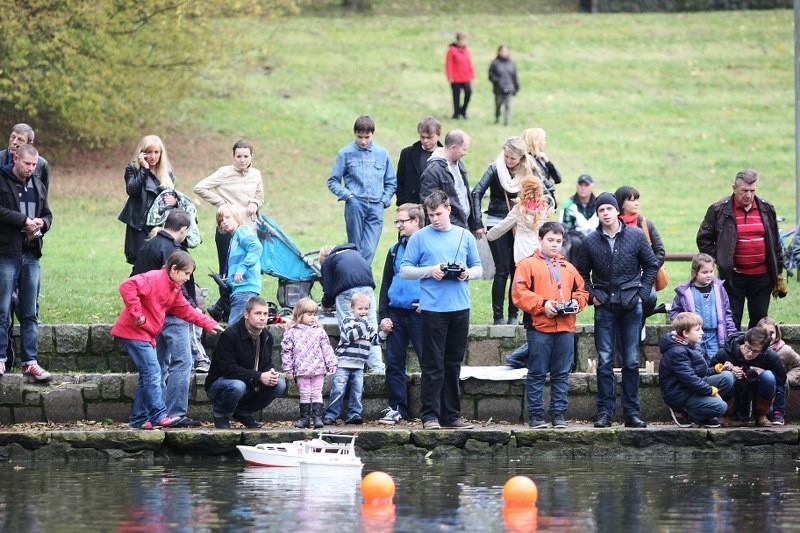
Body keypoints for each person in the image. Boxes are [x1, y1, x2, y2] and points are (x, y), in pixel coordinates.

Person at [111, 251, 223, 429]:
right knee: (153, 371)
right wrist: (138, 315)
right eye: (186, 273)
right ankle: (158, 416)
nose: (188, 278)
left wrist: (210, 324)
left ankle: (139, 419)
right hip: (133, 332)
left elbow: (187, 311)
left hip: (144, 334)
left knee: (147, 375)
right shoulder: (154, 278)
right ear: (174, 269)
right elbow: (127, 286)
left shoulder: (174, 289)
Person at [574, 192, 659, 428]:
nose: (605, 214)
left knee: (631, 361)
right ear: (598, 214)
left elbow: (651, 264)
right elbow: (580, 273)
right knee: (604, 361)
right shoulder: (590, 241)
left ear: (616, 211)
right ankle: (605, 412)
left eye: (609, 209)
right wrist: (594, 296)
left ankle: (632, 412)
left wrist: (642, 295)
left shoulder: (635, 235)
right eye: (601, 211)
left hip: (632, 305)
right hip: (605, 306)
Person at [400, 191, 483, 430]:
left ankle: (452, 415)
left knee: (453, 363)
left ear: (449, 210)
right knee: (433, 364)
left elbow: (478, 268)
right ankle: (430, 416)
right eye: (430, 215)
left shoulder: (464, 236)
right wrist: (430, 270)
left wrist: (467, 273)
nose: (435, 219)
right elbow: (405, 270)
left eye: (438, 214)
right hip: (433, 309)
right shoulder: (419, 238)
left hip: (460, 307)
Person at [511, 221, 588, 429]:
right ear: (540, 240)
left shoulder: (569, 268)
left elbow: (582, 292)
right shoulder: (527, 265)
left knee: (561, 374)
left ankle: (558, 415)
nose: (555, 245)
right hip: (539, 328)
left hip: (565, 327)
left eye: (558, 241)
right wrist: (543, 305)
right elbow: (519, 294)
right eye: (550, 240)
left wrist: (575, 303)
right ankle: (536, 416)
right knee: (536, 373)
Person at [131, 209, 202, 427]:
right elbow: (181, 288)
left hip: (152, 317)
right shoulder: (174, 251)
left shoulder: (147, 245)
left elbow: (134, 278)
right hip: (173, 314)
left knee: (156, 367)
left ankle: (150, 414)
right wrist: (193, 308)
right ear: (184, 229)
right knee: (182, 362)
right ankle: (175, 413)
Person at [696, 169, 782, 330]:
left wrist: (778, 272)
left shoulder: (767, 209)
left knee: (759, 319)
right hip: (733, 277)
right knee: (731, 319)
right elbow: (703, 239)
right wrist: (721, 260)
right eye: (744, 191)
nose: (749, 195)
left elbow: (776, 242)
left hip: (762, 277)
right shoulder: (718, 210)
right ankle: (733, 354)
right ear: (734, 188)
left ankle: (755, 353)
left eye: (752, 191)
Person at [0, 144, 52, 380]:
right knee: (2, 310)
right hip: (6, 254)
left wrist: (42, 223)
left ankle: (30, 361)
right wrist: (23, 220)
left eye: (34, 164)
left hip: (31, 255)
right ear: (15, 159)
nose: (31, 168)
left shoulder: (38, 184)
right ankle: (1, 359)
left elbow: (48, 214)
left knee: (30, 312)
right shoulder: (2, 180)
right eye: (27, 164)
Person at [471, 136, 534, 324]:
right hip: (497, 221)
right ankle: (498, 317)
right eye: (506, 156)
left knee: (518, 269)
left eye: (512, 158)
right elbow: (476, 192)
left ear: (521, 158)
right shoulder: (495, 168)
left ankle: (514, 315)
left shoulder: (529, 169)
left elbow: (544, 190)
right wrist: (477, 222)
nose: (508, 161)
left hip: (519, 224)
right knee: (502, 270)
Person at [204, 296, 287, 429]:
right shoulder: (230, 335)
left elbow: (266, 363)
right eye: (258, 313)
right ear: (246, 314)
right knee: (237, 386)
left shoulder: (266, 336)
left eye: (265, 314)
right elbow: (228, 369)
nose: (262, 318)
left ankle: (244, 412)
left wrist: (270, 372)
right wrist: (259, 376)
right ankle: (220, 414)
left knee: (280, 385)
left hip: (250, 383)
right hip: (221, 384)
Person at [326, 115, 397, 265]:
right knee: (355, 248)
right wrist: (348, 196)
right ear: (355, 134)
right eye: (360, 137)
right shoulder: (345, 153)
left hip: (376, 205)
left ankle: (357, 275)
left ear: (373, 134)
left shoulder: (382, 154)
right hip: (355, 204)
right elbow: (333, 181)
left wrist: (383, 202)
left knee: (370, 249)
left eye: (367, 137)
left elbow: (391, 182)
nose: (363, 141)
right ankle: (358, 281)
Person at [378, 203, 425, 424]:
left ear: (416, 221)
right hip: (395, 313)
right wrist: (383, 315)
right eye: (396, 222)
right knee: (394, 363)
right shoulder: (395, 249)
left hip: (420, 314)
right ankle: (397, 409)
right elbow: (386, 282)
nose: (398, 225)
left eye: (402, 221)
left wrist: (427, 302)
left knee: (428, 362)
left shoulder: (428, 246)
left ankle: (431, 409)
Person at [193, 139, 264, 274]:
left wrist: (255, 203)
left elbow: (260, 197)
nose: (242, 160)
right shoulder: (224, 172)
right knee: (227, 268)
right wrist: (222, 203)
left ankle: (250, 295)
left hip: (249, 228)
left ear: (251, 156)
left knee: (249, 268)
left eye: (246, 156)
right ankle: (225, 295)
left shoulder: (256, 174)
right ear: (233, 156)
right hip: (227, 229)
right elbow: (200, 187)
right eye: (238, 156)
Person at [658, 312, 736, 428]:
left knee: (727, 377)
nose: (702, 333)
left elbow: (699, 373)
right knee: (721, 407)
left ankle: (703, 413)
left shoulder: (692, 345)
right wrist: (711, 391)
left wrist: (716, 369)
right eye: (698, 330)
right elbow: (690, 379)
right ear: (686, 333)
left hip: (691, 389)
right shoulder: (676, 352)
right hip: (680, 394)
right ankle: (688, 412)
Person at [323, 292, 389, 425]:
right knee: (338, 389)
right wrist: (364, 324)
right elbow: (351, 336)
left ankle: (354, 413)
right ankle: (331, 414)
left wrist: (384, 333)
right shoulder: (348, 322)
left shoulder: (368, 326)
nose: (363, 312)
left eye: (366, 309)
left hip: (359, 365)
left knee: (357, 391)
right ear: (352, 308)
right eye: (360, 309)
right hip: (343, 363)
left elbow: (374, 341)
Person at [319, 243, 385, 374]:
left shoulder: (328, 262)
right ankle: (377, 368)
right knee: (370, 327)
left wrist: (325, 305)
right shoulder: (356, 254)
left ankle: (348, 367)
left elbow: (329, 291)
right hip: (368, 289)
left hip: (346, 292)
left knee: (348, 327)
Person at [118, 135, 178, 266]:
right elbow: (132, 190)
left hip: (161, 224)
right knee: (141, 262)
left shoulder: (167, 173)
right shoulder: (133, 169)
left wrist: (175, 201)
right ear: (142, 153)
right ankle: (135, 286)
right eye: (149, 152)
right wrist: (144, 169)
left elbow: (173, 196)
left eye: (156, 152)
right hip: (139, 224)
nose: (153, 156)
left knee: (162, 261)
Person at [711, 326, 786, 427]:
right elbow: (708, 375)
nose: (750, 353)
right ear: (744, 341)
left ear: (763, 351)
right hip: (732, 393)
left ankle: (761, 415)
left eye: (755, 351)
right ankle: (727, 414)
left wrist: (763, 372)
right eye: (748, 347)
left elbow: (782, 379)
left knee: (768, 376)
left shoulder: (770, 356)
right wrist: (725, 369)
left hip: (757, 392)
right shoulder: (726, 352)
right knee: (727, 376)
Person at [281, 297, 337, 429]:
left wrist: (331, 363)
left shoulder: (319, 331)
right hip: (301, 370)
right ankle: (304, 418)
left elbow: (326, 348)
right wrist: (289, 369)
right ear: (299, 315)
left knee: (317, 392)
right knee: (305, 393)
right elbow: (286, 352)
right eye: (309, 314)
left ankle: (317, 417)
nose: (313, 317)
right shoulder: (292, 333)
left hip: (318, 369)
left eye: (314, 315)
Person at [669, 253, 736, 363]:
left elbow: (727, 314)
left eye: (711, 271)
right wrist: (684, 325)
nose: (709, 275)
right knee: (697, 364)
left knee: (716, 364)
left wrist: (731, 333)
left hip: (715, 337)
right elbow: (675, 313)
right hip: (694, 337)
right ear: (694, 273)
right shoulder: (685, 292)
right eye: (704, 272)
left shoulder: (719, 290)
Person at [615, 185, 665, 318]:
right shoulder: (612, 225)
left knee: (650, 298)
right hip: (619, 277)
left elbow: (659, 251)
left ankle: (639, 322)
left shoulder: (645, 224)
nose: (636, 203)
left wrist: (649, 269)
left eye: (637, 199)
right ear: (621, 203)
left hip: (644, 277)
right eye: (631, 200)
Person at [419, 129, 480, 232]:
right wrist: (451, 225)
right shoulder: (433, 171)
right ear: (453, 148)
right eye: (464, 149)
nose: (466, 153)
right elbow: (429, 205)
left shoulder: (458, 163)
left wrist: (474, 224)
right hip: (448, 230)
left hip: (463, 227)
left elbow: (464, 194)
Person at [216, 205, 262, 325]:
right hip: (239, 290)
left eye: (227, 217)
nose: (224, 221)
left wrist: (242, 268)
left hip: (245, 289)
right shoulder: (233, 238)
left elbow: (256, 247)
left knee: (233, 331)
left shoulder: (242, 231)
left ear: (236, 217)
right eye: (221, 220)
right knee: (242, 330)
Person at [757, 317, 800, 426]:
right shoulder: (755, 350)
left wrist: (788, 378)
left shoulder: (785, 350)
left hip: (779, 387)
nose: (769, 336)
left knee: (780, 383)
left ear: (777, 333)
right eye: (764, 333)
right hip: (761, 386)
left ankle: (778, 414)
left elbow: (798, 365)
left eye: (772, 333)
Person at [395, 117, 442, 206]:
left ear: (438, 135)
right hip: (411, 207)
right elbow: (399, 181)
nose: (425, 141)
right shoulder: (407, 154)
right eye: (422, 137)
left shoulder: (445, 157)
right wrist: (402, 202)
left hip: (436, 209)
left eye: (429, 137)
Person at [559, 175, 597, 262]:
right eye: (581, 185)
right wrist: (582, 237)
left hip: (595, 236)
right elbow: (565, 226)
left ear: (592, 186)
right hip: (576, 238)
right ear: (577, 186)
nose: (583, 188)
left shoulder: (599, 204)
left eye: (586, 185)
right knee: (575, 242)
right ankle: (574, 272)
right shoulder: (569, 205)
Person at [0, 123, 49, 190]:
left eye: (20, 140)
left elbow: (43, 196)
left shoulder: (41, 164)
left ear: (29, 144)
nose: (14, 142)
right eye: (13, 137)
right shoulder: (1, 158)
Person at [522, 128, 561, 207]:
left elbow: (558, 179)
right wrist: (551, 186)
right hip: (537, 204)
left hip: (544, 202)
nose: (545, 142)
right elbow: (541, 181)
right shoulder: (528, 161)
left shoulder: (540, 159)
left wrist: (548, 162)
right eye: (542, 140)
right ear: (535, 142)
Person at [445, 32, 475, 120]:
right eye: (463, 39)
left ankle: (463, 110)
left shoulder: (466, 49)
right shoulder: (452, 50)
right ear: (459, 40)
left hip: (465, 77)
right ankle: (456, 113)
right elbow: (449, 64)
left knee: (468, 93)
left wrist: (471, 73)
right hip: (456, 78)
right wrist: (450, 76)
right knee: (456, 96)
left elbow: (469, 62)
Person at [488, 45, 519, 126]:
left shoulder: (511, 63)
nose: (504, 53)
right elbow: (490, 75)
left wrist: (516, 87)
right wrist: (497, 81)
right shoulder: (495, 63)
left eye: (506, 51)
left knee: (508, 105)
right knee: (498, 104)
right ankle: (497, 117)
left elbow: (514, 76)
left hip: (509, 87)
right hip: (499, 88)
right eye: (502, 51)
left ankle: (507, 121)